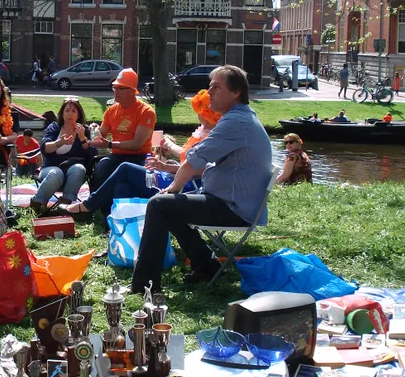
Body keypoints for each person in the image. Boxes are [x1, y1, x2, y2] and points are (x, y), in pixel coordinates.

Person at [130, 66, 272, 292]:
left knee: (159, 204)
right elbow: (200, 162)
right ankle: (206, 265)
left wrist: (174, 188)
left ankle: (144, 283)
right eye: (209, 86)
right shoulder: (241, 118)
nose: (209, 92)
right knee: (171, 206)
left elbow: (194, 159)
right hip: (232, 201)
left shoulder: (235, 122)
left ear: (235, 93)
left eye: (216, 87)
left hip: (234, 208)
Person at [65, 89, 221, 216]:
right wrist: (164, 164)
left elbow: (200, 169)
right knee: (122, 186)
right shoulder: (202, 133)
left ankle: (89, 204)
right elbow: (189, 163)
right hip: (174, 178)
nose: (197, 114)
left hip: (185, 186)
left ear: (205, 114)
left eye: (199, 111)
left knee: (125, 168)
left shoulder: (211, 138)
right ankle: (114, 226)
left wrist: (166, 166)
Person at [89, 69, 156, 202]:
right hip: (117, 155)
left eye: (121, 88)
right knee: (101, 168)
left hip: (140, 157)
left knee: (123, 184)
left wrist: (109, 144)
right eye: (115, 87)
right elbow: (101, 134)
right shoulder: (111, 111)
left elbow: (137, 144)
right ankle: (101, 207)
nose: (116, 91)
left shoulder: (146, 112)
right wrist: (94, 130)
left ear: (132, 91)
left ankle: (93, 205)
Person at [30, 98, 96, 212]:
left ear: (78, 114)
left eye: (73, 111)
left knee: (79, 168)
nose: (70, 114)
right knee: (57, 173)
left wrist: (82, 138)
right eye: (67, 110)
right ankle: (37, 201)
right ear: (62, 113)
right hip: (51, 168)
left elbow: (92, 154)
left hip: (72, 170)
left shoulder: (84, 130)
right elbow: (44, 148)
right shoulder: (55, 127)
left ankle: (66, 204)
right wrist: (59, 142)